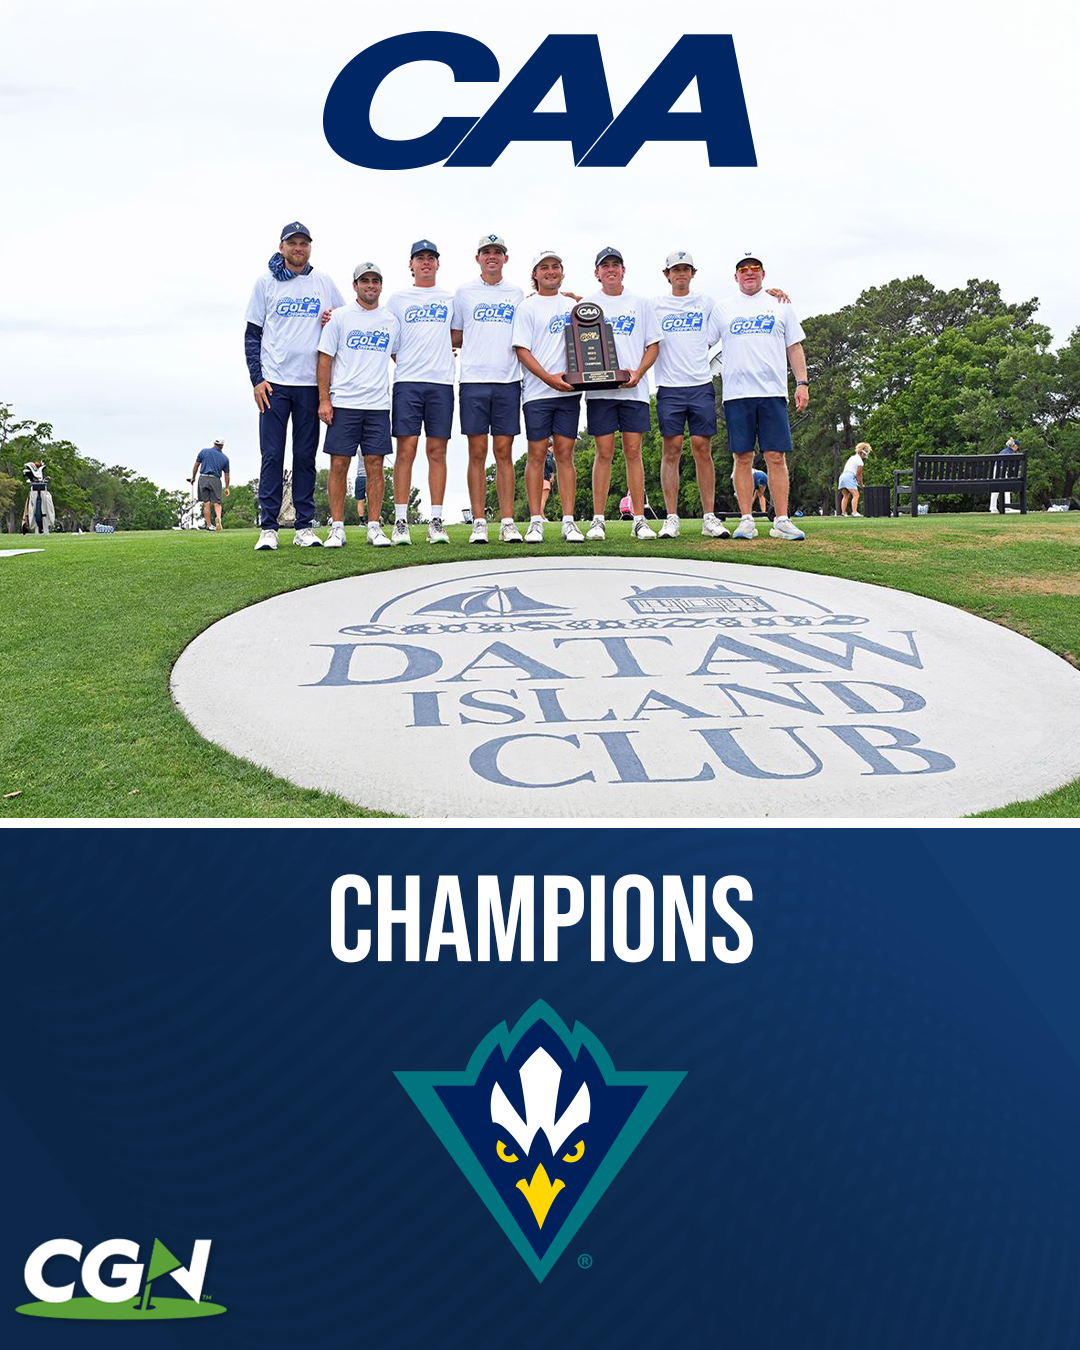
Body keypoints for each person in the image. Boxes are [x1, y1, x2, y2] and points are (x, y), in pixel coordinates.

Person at [245, 221, 344, 551]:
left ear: (310, 248)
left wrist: (333, 319)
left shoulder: (323, 283)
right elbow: (252, 334)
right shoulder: (266, 283)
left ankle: (304, 525)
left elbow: (345, 320)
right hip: (273, 384)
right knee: (272, 455)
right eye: (292, 243)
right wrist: (256, 379)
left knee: (305, 456)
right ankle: (269, 526)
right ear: (282, 247)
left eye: (304, 243)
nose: (298, 248)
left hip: (309, 385)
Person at [715, 253, 809, 541]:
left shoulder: (780, 305)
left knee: (775, 456)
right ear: (736, 277)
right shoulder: (722, 308)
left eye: (754, 269)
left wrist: (802, 383)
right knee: (742, 457)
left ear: (763, 274)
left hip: (772, 392)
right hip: (737, 394)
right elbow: (700, 341)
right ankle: (746, 520)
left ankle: (781, 520)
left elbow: (794, 347)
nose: (749, 273)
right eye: (743, 270)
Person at [316, 262, 399, 548]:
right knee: (339, 464)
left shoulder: (390, 320)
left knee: (375, 466)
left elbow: (400, 357)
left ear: (381, 285)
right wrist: (324, 399)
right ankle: (336, 527)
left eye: (376, 281)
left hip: (377, 404)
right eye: (365, 281)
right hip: (344, 403)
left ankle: (374, 527)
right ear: (355, 286)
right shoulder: (339, 318)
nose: (371, 286)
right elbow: (324, 359)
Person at [582, 248, 661, 542]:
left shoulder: (640, 303)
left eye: (616, 265)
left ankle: (639, 518)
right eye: (605, 266)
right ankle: (598, 520)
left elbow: (653, 345)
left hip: (634, 389)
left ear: (623, 270)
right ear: (597, 272)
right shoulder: (587, 303)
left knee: (633, 452)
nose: (611, 270)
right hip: (599, 391)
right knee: (603, 453)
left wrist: (639, 372)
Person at [452, 235, 524, 543]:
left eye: (498, 252)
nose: (492, 257)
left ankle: (507, 521)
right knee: (477, 451)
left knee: (504, 452)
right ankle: (479, 521)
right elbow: (456, 336)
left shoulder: (517, 293)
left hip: (508, 381)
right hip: (473, 381)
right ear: (477, 258)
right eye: (486, 252)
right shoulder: (464, 292)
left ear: (506, 259)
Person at [651, 250, 729, 540]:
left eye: (686, 269)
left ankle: (709, 517)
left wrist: (768, 295)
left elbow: (736, 312)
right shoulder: (655, 305)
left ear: (693, 273)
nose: (681, 274)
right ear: (667, 274)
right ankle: (672, 518)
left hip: (700, 385)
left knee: (702, 449)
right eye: (675, 269)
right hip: (669, 388)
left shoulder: (707, 303)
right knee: (671, 450)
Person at [511, 251, 585, 543]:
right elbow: (522, 351)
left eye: (555, 267)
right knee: (537, 455)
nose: (550, 271)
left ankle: (569, 521)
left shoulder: (573, 305)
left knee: (565, 454)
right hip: (538, 393)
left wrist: (579, 300)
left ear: (562, 272)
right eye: (544, 268)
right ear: (535, 274)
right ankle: (535, 520)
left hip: (568, 390)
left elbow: (595, 324)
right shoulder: (527, 308)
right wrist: (548, 379)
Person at [385, 241, 456, 545]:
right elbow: (388, 341)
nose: (426, 263)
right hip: (408, 383)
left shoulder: (450, 299)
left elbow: (459, 335)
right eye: (420, 258)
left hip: (441, 384)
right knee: (406, 450)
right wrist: (411, 363)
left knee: (437, 451)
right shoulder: (397, 299)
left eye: (431, 258)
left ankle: (436, 521)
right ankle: (401, 521)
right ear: (410, 264)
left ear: (438, 264)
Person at [189, 438, 230, 531]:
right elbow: (227, 475)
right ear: (222, 446)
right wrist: (227, 487)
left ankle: (209, 525)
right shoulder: (225, 458)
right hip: (215, 479)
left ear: (214, 443)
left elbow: (196, 465)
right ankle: (218, 518)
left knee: (206, 503)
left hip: (203, 478)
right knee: (217, 503)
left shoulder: (204, 451)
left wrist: (193, 478)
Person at [838, 443, 869, 516]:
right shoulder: (860, 462)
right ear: (861, 452)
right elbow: (859, 475)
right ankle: (854, 512)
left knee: (846, 495)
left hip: (843, 476)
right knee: (856, 494)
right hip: (849, 476)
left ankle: (843, 513)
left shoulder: (852, 457)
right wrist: (861, 485)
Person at [991, 436, 1020, 513]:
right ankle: (1007, 507)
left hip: (996, 469)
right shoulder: (1012, 454)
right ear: (1015, 446)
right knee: (1006, 488)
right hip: (1003, 471)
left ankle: (992, 507)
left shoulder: (1002, 451)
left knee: (995, 488)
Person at [541, 439, 556, 517]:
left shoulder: (540, 453)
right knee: (543, 499)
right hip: (545, 478)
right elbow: (549, 464)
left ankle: (540, 515)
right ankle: (542, 516)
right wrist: (552, 475)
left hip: (538, 478)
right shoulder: (549, 454)